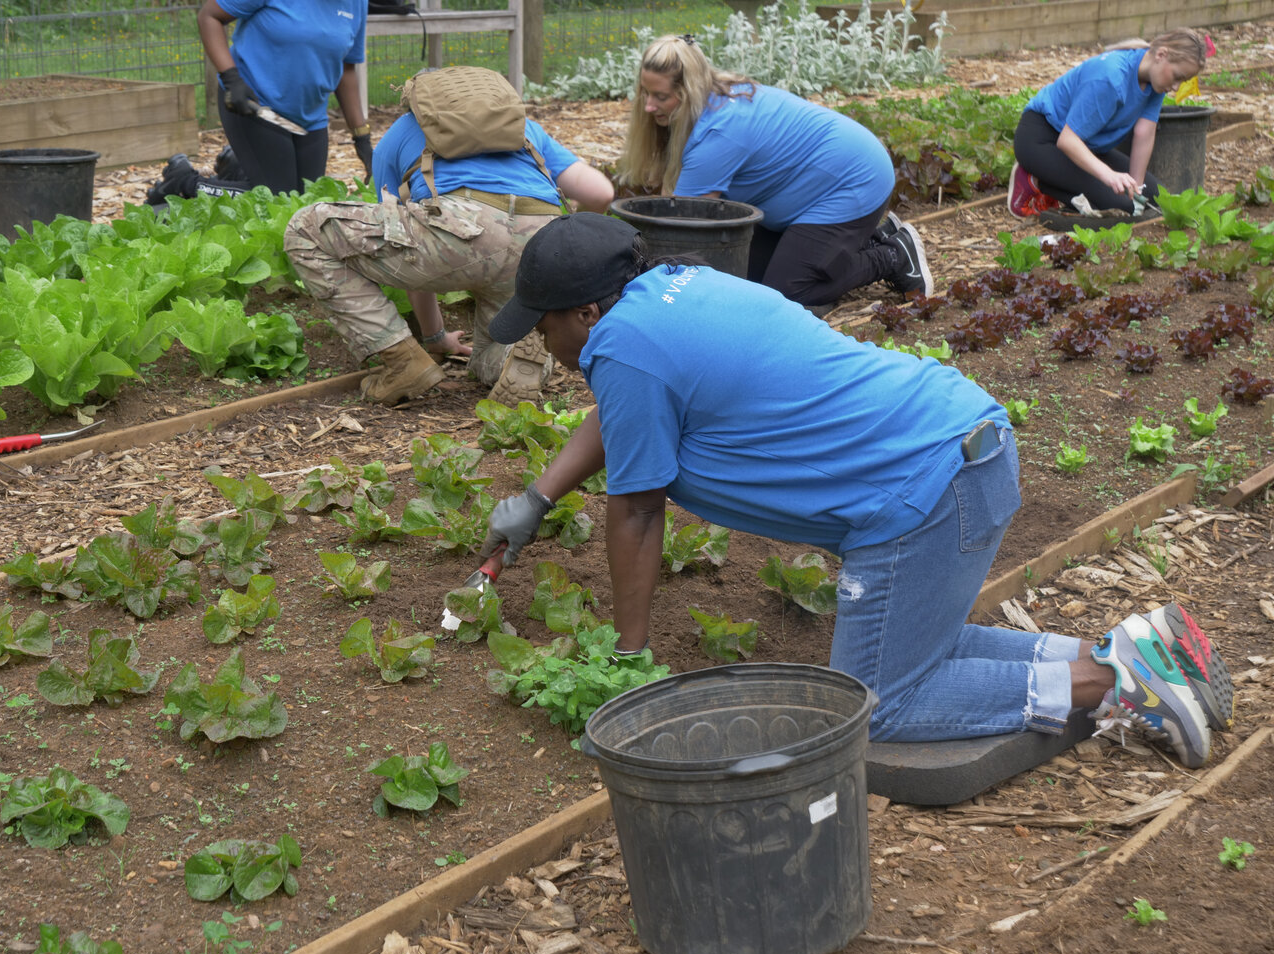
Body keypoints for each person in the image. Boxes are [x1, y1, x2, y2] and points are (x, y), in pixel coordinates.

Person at [478, 211, 1234, 767]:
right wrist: (539, 496)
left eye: (544, 329)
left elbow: (638, 512)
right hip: (966, 446)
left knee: (879, 703)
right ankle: (1128, 650)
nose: (546, 347)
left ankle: (1112, 680)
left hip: (917, 499)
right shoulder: (677, 292)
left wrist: (628, 663)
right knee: (920, 647)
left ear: (586, 311)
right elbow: (624, 416)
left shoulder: (622, 346)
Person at [282, 77, 614, 406]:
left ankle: (402, 360)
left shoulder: (403, 130)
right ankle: (511, 358)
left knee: (306, 229)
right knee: (497, 344)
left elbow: (404, 243)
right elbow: (600, 192)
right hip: (540, 244)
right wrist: (566, 254)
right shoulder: (525, 129)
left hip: (461, 230)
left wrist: (435, 336)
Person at [616, 34, 931, 311]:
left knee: (787, 293)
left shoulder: (718, 134)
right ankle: (872, 236)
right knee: (747, 274)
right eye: (645, 93)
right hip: (815, 185)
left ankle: (893, 255)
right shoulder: (711, 98)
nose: (647, 106)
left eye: (661, 97)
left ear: (688, 90)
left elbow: (682, 230)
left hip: (853, 180)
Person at [148, 0, 372, 204]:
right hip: (255, 104)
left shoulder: (356, 3)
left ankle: (236, 169)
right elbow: (209, 16)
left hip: (310, 118)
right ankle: (182, 181)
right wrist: (231, 78)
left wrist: (362, 139)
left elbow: (347, 69)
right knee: (278, 201)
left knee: (310, 202)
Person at [1008, 28, 1207, 218]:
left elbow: (1144, 133)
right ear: (1162, 54)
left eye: (1183, 81)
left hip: (1086, 145)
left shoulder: (1154, 81)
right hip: (1043, 140)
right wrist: (1110, 176)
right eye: (1177, 77)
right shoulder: (1111, 78)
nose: (1175, 86)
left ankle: (1063, 179)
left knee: (1153, 196)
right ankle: (1035, 179)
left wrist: (1135, 188)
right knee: (1117, 205)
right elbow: (1067, 140)